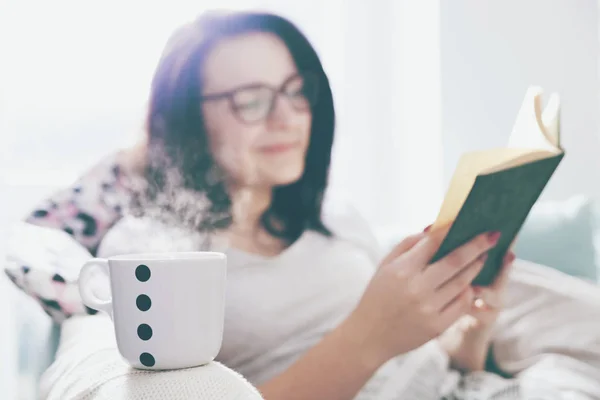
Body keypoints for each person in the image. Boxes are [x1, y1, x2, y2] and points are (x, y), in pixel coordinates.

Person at [15, 10, 600, 400]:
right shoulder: (150, 251)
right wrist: (370, 336)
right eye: (251, 98)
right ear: (188, 116)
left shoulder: (337, 220)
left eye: (298, 91)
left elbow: (443, 366)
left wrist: (474, 323)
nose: (287, 117)